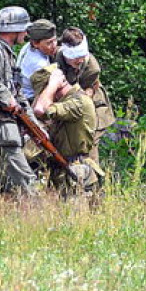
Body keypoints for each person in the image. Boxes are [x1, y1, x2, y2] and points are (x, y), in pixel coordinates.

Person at [0, 6, 38, 197]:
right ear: (15, 29)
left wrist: (35, 125)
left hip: (0, 127)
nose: (26, 34)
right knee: (24, 178)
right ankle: (42, 215)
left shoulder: (6, 53)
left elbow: (16, 93)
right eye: (24, 29)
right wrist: (6, 98)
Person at [31, 65, 103, 196]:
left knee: (75, 215)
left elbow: (40, 109)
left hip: (77, 172)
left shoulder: (78, 102)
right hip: (65, 171)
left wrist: (52, 85)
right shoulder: (68, 102)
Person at [56, 27, 116, 159]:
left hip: (91, 105)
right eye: (75, 57)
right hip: (66, 103)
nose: (80, 61)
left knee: (87, 146)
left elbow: (88, 93)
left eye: (82, 56)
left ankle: (91, 177)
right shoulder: (56, 57)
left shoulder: (92, 67)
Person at [15, 19, 57, 100]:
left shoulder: (28, 46)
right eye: (49, 43)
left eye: (55, 40)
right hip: (29, 98)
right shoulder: (39, 63)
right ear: (35, 43)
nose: (54, 45)